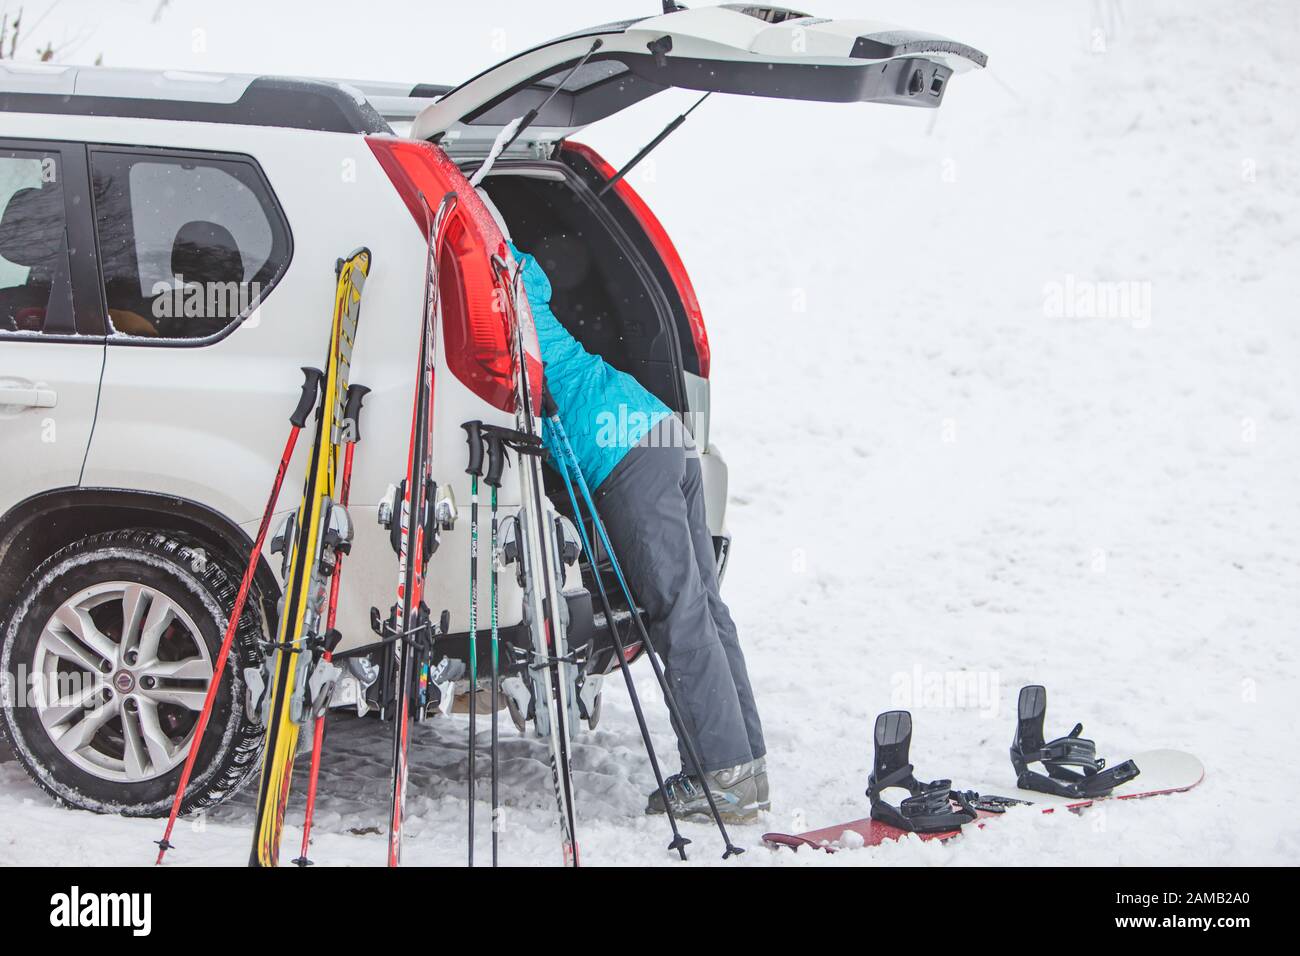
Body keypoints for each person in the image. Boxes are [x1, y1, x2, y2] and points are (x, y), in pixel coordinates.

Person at [492, 214, 768, 823]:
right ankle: (744, 767)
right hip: (657, 425)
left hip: (621, 451)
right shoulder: (519, 275)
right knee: (703, 605)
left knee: (677, 610)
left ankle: (721, 778)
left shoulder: (493, 290)